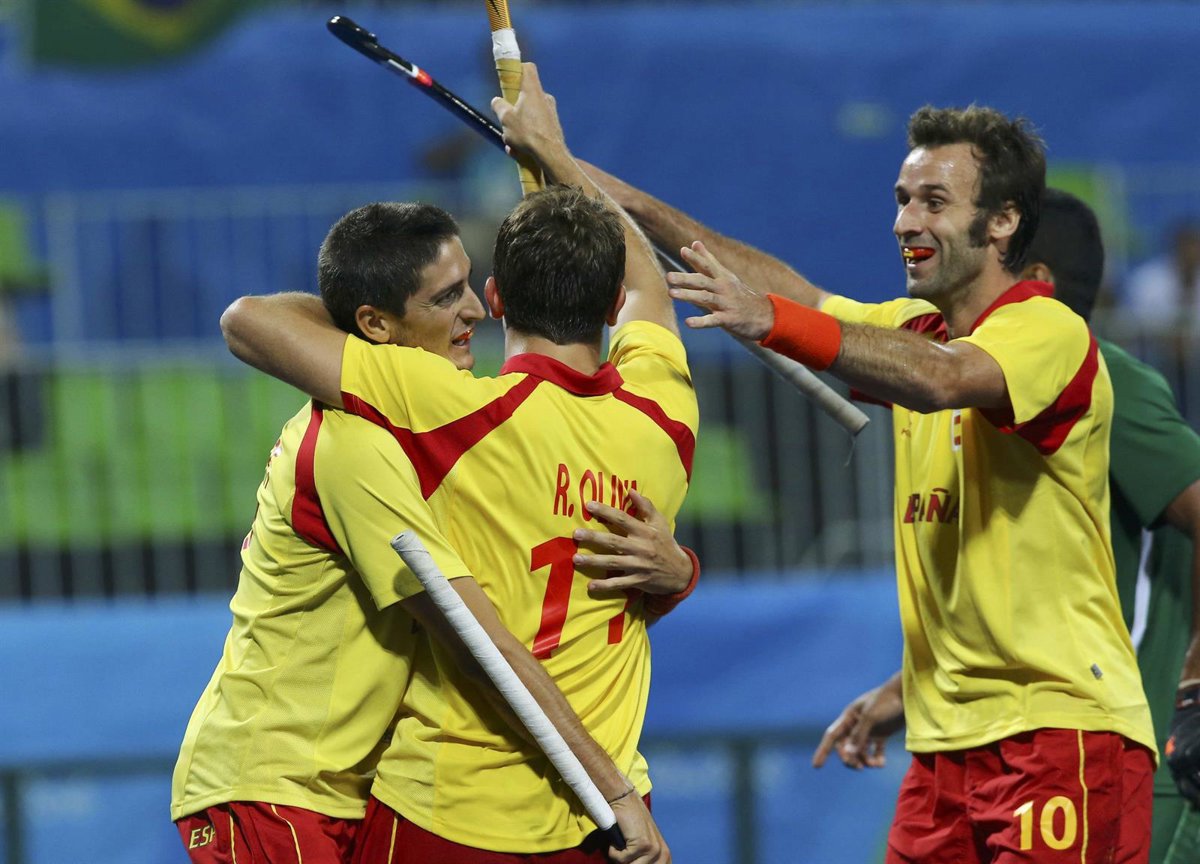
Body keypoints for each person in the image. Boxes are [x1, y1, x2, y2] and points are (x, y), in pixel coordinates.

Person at [588, 107, 1157, 862]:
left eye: (933, 202)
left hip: (1059, 733)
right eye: (902, 198)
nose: (905, 222)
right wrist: (605, 190)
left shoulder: (1047, 330)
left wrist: (770, 320)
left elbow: (941, 380)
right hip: (945, 743)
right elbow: (803, 299)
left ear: (1001, 222)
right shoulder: (916, 329)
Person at [218, 64, 697, 863]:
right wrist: (557, 156)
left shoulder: (446, 412)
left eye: (471, 292)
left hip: (446, 808)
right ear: (615, 306)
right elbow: (649, 280)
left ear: (498, 296)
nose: (468, 308)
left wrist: (359, 325)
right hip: (600, 816)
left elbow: (251, 322)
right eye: (450, 296)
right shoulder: (667, 419)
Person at [813, 189, 1200, 864]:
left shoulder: (1108, 378)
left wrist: (1193, 685)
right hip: (1002, 734)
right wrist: (907, 687)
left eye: (987, 247)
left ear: (1035, 279)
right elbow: (1020, 570)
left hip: (1113, 743)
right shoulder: (986, 378)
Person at [1122, 220, 1200, 328]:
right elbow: (1137, 320)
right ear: (1177, 247)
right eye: (1188, 247)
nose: (1192, 253)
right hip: (1153, 337)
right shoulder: (1148, 280)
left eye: (1196, 248)